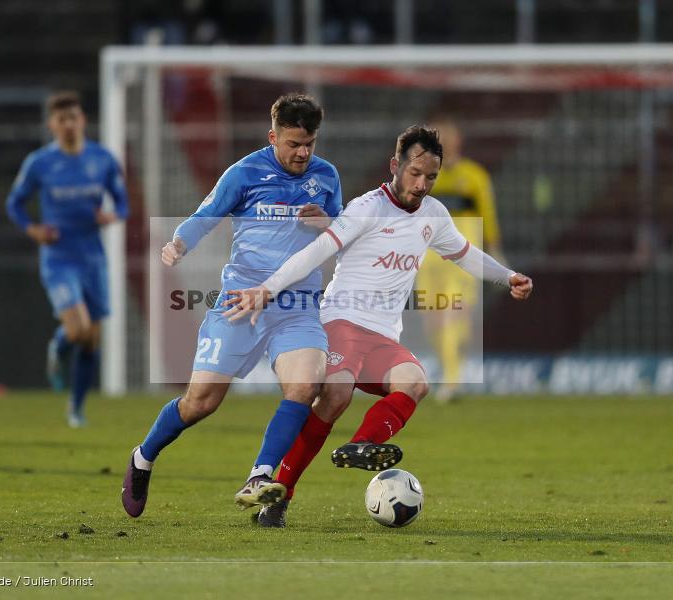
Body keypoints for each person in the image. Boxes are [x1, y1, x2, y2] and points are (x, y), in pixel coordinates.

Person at [223, 126, 532, 527]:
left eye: (431, 177)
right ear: (395, 166)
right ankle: (277, 501)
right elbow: (318, 251)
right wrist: (267, 288)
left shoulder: (434, 216)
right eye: (415, 173)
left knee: (416, 382)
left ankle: (363, 444)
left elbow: (465, 255)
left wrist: (508, 277)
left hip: (384, 336)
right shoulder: (367, 208)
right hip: (342, 321)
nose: (422, 184)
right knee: (334, 397)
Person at [121, 93, 342, 518]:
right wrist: (179, 243)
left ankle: (260, 476)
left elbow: (343, 233)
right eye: (294, 143)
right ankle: (143, 457)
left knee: (305, 386)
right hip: (240, 302)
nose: (303, 152)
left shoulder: (326, 176)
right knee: (200, 402)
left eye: (310, 143)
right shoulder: (244, 173)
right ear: (273, 136)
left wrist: (327, 223)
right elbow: (206, 214)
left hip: (297, 306)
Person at [6, 91, 129, 427]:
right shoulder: (40, 163)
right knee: (77, 330)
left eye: (73, 118)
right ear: (52, 125)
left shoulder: (102, 159)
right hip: (59, 257)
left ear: (82, 121)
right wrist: (32, 229)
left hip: (93, 256)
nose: (69, 124)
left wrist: (111, 215)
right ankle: (57, 349)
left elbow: (122, 203)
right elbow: (14, 203)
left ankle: (76, 408)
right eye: (61, 119)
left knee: (92, 338)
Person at [417, 117, 505, 402]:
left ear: (458, 142)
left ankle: (452, 382)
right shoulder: (420, 175)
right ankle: (451, 364)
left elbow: (488, 214)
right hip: (427, 257)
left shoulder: (474, 176)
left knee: (453, 313)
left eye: (448, 138)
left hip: (462, 255)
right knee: (433, 322)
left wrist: (495, 250)